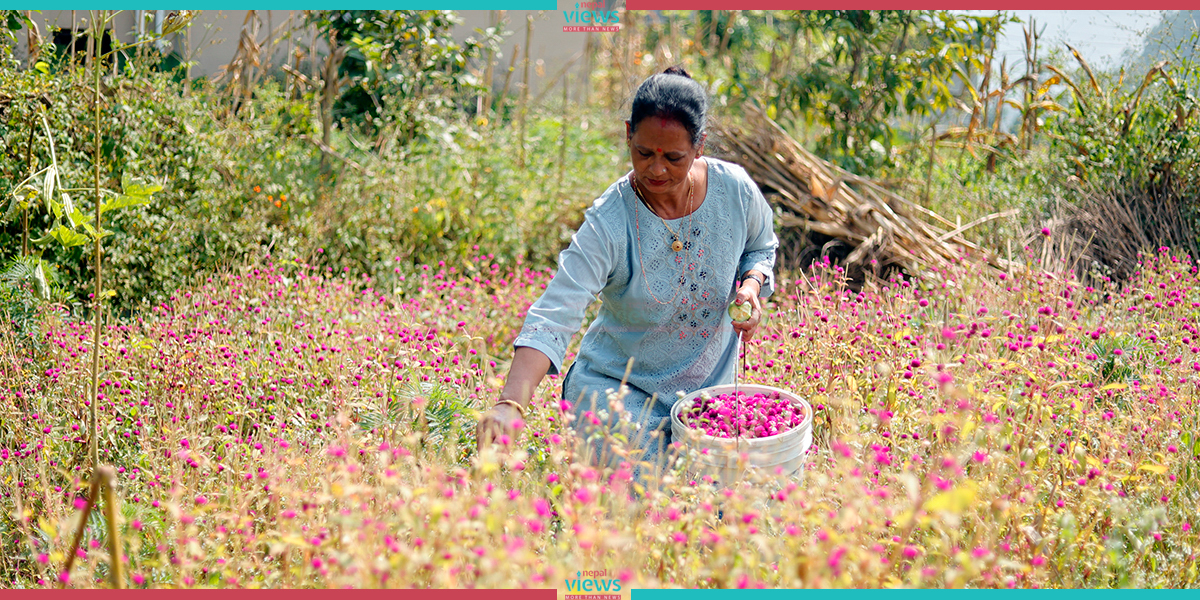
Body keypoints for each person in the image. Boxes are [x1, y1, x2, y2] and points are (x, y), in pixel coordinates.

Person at [476, 66, 778, 477]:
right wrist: (510, 404)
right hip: (616, 392)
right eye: (644, 153)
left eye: (673, 157)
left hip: (708, 396)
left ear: (700, 146)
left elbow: (760, 246)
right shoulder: (610, 221)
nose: (656, 170)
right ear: (627, 135)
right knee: (640, 491)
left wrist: (752, 285)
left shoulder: (735, 191)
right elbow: (556, 312)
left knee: (730, 495)